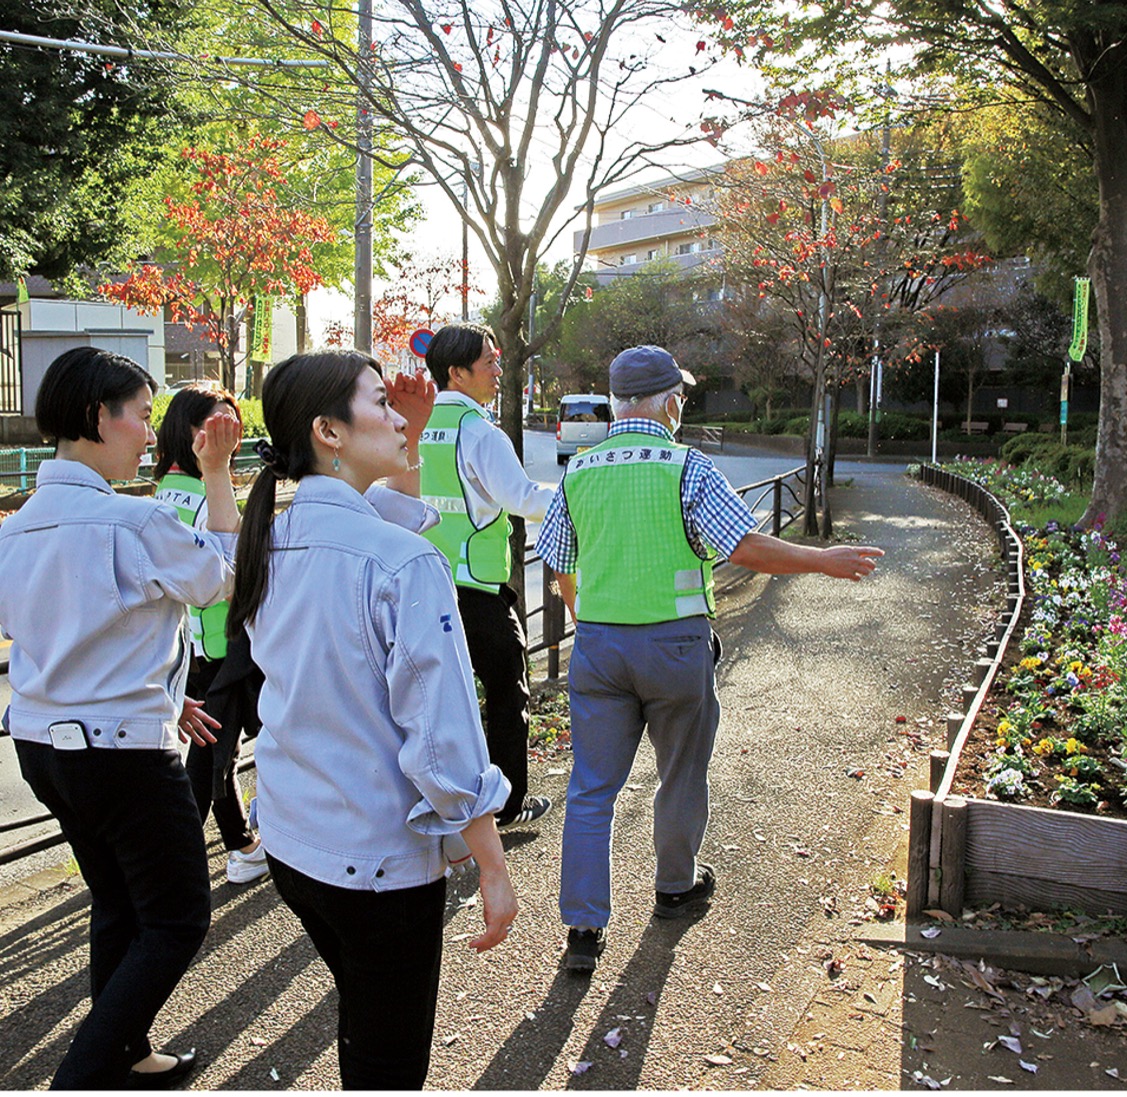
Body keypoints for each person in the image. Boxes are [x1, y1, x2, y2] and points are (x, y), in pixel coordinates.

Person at [535, 345, 885, 973]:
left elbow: (558, 560)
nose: (682, 406)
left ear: (618, 403)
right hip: (675, 648)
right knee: (680, 773)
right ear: (667, 400)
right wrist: (821, 559)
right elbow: (744, 547)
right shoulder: (686, 466)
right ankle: (674, 888)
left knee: (591, 790)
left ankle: (583, 932)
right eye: (682, 397)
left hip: (599, 646)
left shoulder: (579, 471)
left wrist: (591, 613)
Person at [227, 350, 518, 1089]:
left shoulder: (272, 537)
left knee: (365, 1016)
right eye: (380, 402)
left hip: (296, 838)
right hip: (376, 861)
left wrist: (409, 437)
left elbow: (395, 513)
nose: (396, 415)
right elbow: (444, 741)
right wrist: (491, 862)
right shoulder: (402, 564)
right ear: (329, 431)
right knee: (386, 1061)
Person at [0, 347, 240, 1087]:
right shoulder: (129, 522)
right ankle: (82, 1077)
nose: (146, 432)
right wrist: (217, 472)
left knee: (118, 902)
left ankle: (128, 1053)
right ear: (95, 417)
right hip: (124, 755)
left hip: (45, 745)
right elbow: (222, 579)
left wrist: (168, 695)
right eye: (138, 414)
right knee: (174, 919)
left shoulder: (15, 525)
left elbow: (67, 633)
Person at [421, 322, 556, 829]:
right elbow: (522, 499)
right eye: (489, 363)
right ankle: (507, 804)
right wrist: (579, 499)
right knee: (505, 692)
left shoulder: (415, 425)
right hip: (478, 589)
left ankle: (441, 801)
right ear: (457, 373)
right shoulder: (479, 432)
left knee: (437, 700)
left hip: (427, 585)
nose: (500, 372)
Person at [153, 385, 268, 885]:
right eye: (218, 425)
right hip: (225, 648)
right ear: (191, 432)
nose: (228, 434)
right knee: (210, 757)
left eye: (233, 424)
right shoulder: (207, 494)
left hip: (188, 649)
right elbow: (238, 573)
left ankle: (242, 842)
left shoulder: (161, 493)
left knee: (213, 751)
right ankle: (172, 866)